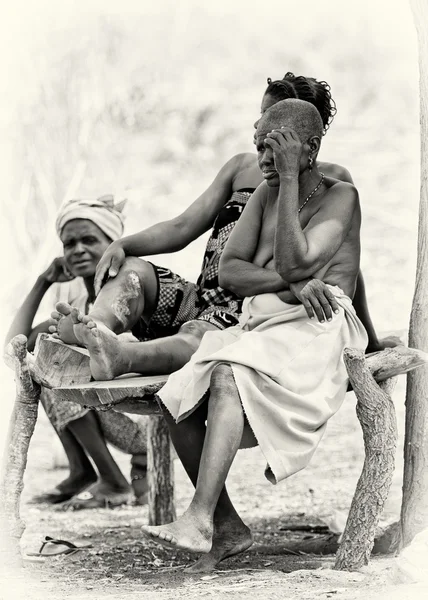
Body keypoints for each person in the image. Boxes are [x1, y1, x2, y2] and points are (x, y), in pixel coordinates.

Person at [129, 98, 368, 570]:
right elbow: (231, 272)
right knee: (181, 390)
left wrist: (292, 184)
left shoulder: (341, 197)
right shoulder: (264, 194)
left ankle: (199, 517)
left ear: (311, 148)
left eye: (276, 147)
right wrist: (294, 282)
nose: (264, 158)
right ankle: (228, 527)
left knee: (226, 373)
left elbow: (296, 258)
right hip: (263, 320)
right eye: (259, 146)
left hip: (319, 326)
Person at [49, 74, 394, 383]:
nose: (261, 126)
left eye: (273, 120)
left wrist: (370, 340)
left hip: (248, 313)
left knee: (200, 335)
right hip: (202, 297)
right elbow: (183, 226)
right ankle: (93, 329)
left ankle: (119, 356)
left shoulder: (330, 184)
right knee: (135, 271)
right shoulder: (241, 167)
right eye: (261, 117)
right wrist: (125, 244)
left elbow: (348, 268)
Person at [5, 195, 149, 509]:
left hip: (146, 421)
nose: (78, 249)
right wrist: (43, 281)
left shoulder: (126, 296)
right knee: (34, 365)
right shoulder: (78, 309)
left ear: (113, 245)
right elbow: (14, 346)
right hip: (115, 416)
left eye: (89, 240)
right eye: (69, 244)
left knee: (52, 369)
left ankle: (111, 480)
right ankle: (82, 470)